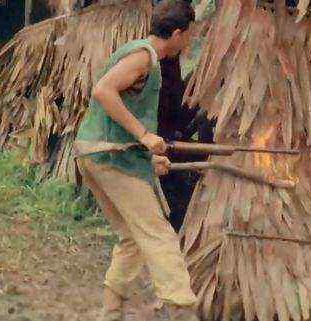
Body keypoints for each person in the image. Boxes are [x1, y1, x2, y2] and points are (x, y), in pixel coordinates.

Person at [73, 1, 199, 320]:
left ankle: (111, 309)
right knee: (157, 232)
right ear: (176, 33)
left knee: (132, 236)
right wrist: (144, 135)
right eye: (189, 36)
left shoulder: (146, 58)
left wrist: (149, 158)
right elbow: (104, 91)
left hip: (99, 153)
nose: (189, 43)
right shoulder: (144, 56)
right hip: (108, 155)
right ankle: (182, 308)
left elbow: (123, 107)